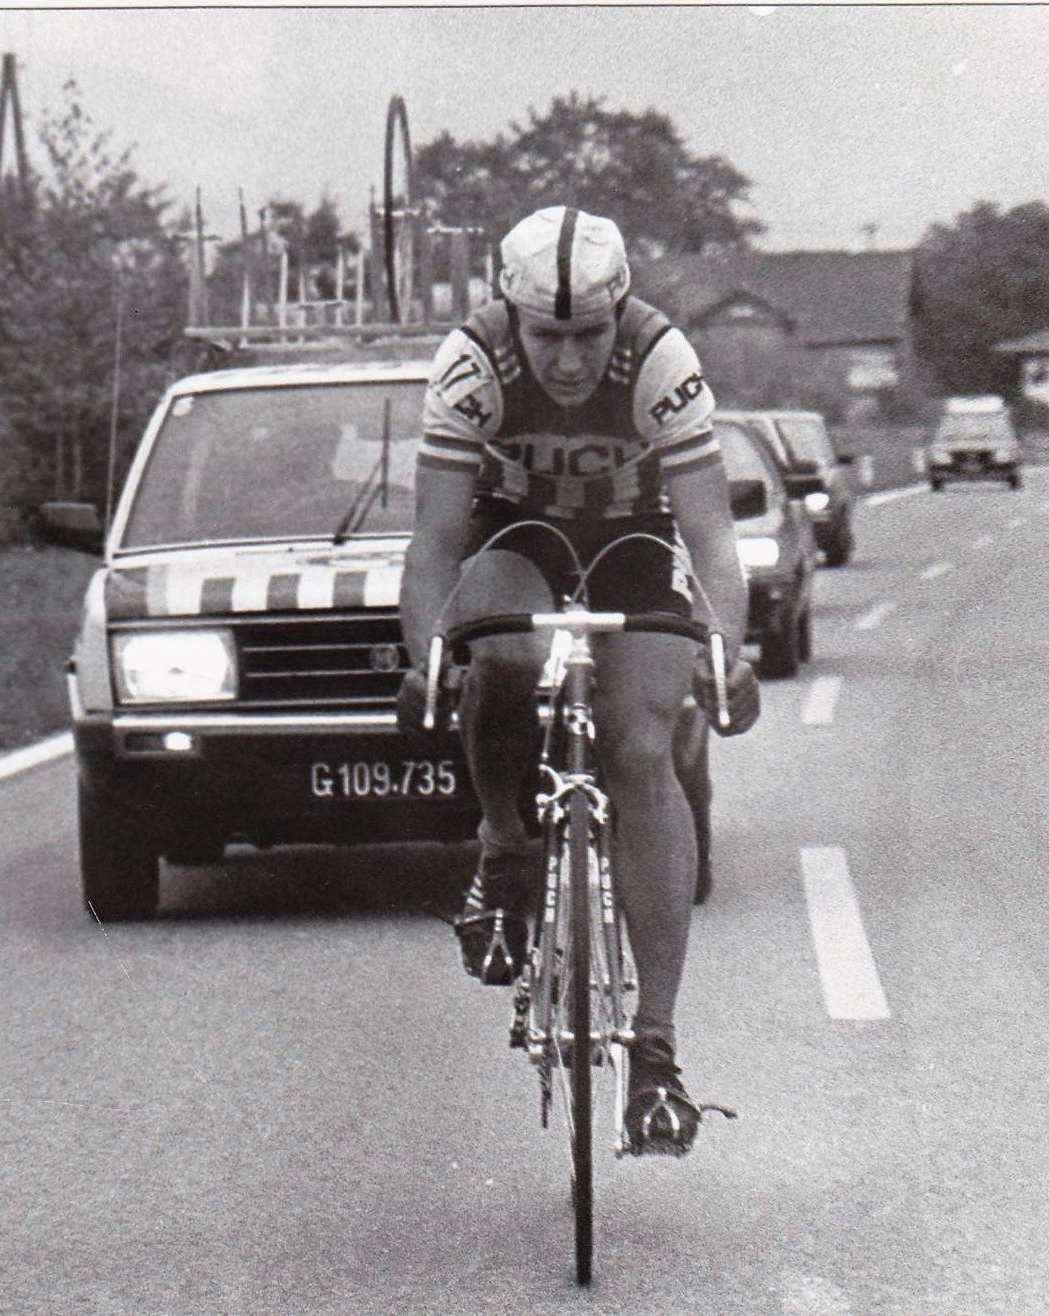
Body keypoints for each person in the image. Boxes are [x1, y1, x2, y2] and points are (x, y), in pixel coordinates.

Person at [397, 205, 760, 1154]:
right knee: (502, 655)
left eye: (588, 335)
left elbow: (714, 538)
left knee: (644, 748)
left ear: (622, 315)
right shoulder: (472, 363)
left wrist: (732, 650)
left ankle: (656, 1052)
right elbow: (435, 542)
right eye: (547, 336)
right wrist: (424, 656)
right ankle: (508, 843)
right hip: (514, 537)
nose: (566, 360)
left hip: (636, 541)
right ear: (509, 317)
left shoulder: (661, 360)